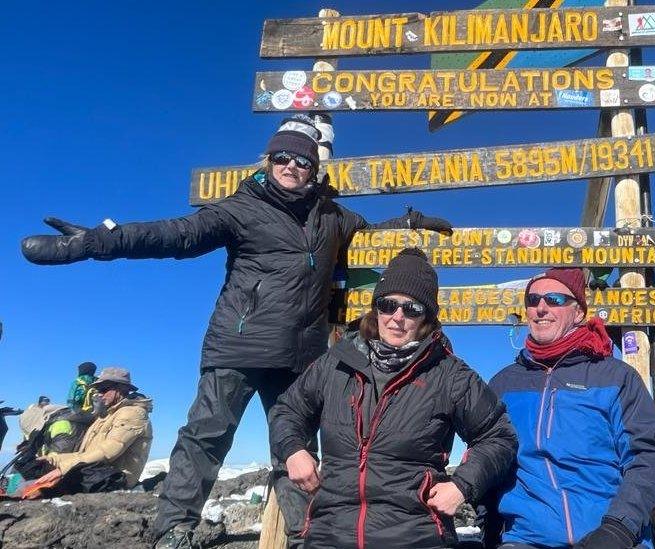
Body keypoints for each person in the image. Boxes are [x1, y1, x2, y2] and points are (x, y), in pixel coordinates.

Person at [20, 114, 453, 549]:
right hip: (238, 347)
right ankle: (174, 529)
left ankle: (307, 534)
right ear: (268, 161)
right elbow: (177, 235)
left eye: (301, 160)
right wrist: (98, 242)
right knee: (205, 438)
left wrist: (411, 224)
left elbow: (368, 238)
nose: (291, 166)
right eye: (281, 157)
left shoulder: (332, 216)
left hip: (300, 357)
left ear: (314, 169)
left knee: (297, 450)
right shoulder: (241, 208)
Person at [269, 248, 517, 549]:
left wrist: (462, 486)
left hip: (414, 534)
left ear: (426, 317)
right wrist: (294, 449)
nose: (397, 317)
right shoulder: (335, 363)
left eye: (411, 308)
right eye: (388, 305)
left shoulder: (449, 374)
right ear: (377, 308)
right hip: (330, 533)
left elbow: (499, 437)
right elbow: (287, 410)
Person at [484, 267, 655, 549]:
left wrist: (618, 529)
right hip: (526, 538)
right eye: (532, 301)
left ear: (579, 312)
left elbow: (648, 458)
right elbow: (484, 457)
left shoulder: (614, 377)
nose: (541, 308)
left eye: (555, 300)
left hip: (613, 536)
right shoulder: (504, 383)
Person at [32, 367, 153, 496]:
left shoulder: (132, 413)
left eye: (104, 389)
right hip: (95, 470)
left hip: (114, 478)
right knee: (37, 466)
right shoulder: (106, 415)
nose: (99, 394)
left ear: (121, 389)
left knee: (63, 480)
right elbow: (86, 455)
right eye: (97, 390)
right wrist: (53, 459)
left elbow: (107, 452)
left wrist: (63, 469)